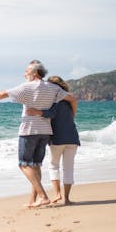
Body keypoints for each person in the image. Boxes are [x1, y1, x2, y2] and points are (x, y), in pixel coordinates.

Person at [0, 60, 75, 208]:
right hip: (45, 132)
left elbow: (4, 93)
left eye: (26, 71)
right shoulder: (54, 88)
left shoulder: (28, 87)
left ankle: (43, 197)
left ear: (34, 73)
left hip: (29, 131)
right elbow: (72, 98)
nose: (24, 74)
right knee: (35, 166)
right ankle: (33, 200)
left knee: (23, 164)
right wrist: (72, 116)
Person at [27, 76, 79, 205]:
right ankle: (67, 199)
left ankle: (57, 194)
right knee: (68, 168)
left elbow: (51, 113)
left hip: (57, 138)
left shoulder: (53, 100)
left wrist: (36, 111)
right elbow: (71, 115)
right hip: (72, 137)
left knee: (54, 166)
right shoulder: (68, 100)